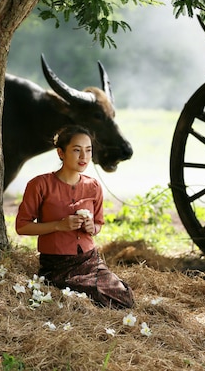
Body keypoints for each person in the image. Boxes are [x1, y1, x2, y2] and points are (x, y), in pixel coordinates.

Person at [15, 125, 135, 309]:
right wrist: (58, 226)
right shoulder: (40, 184)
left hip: (90, 261)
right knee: (88, 298)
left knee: (124, 297)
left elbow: (98, 225)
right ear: (60, 153)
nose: (84, 157)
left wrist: (91, 228)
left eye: (88, 150)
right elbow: (22, 227)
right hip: (57, 265)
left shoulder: (93, 186)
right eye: (77, 150)